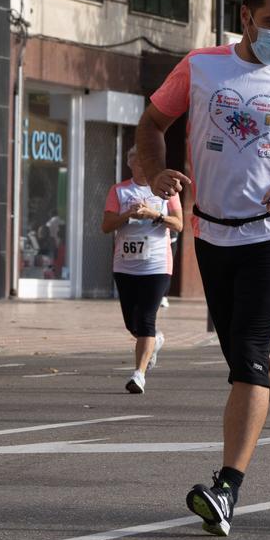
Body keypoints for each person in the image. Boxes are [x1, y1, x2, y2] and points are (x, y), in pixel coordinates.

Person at [136, 0, 270, 537]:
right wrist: (156, 172)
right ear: (245, 16)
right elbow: (152, 123)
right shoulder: (200, 67)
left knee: (250, 350)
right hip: (213, 235)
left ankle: (226, 489)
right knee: (243, 362)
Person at [100, 146, 184, 394]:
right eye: (139, 162)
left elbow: (179, 224)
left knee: (147, 319)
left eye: (148, 163)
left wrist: (154, 214)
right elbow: (106, 225)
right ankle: (154, 341)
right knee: (132, 323)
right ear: (131, 164)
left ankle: (139, 374)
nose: (143, 167)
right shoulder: (119, 190)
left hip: (157, 265)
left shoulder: (166, 192)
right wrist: (128, 213)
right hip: (125, 265)